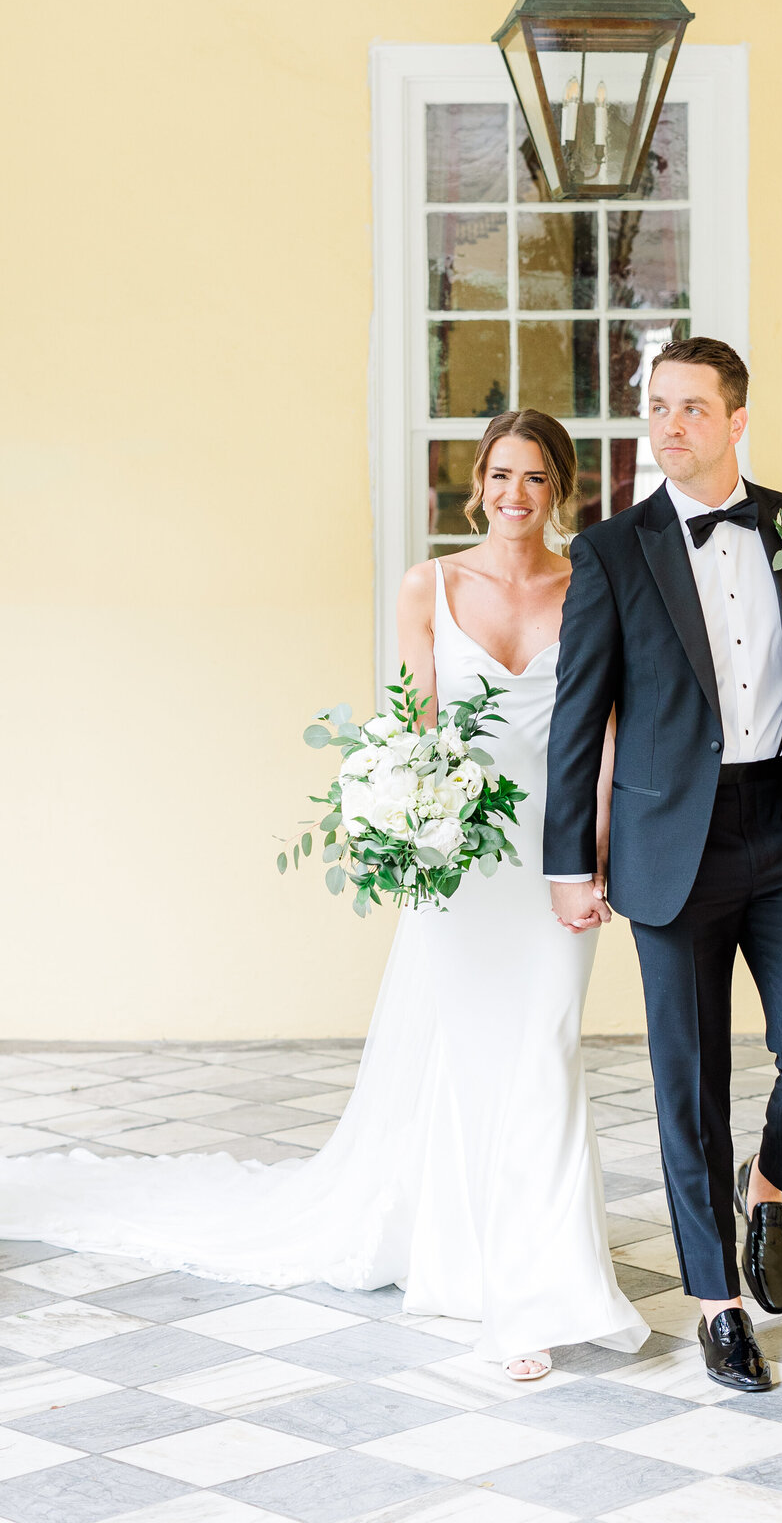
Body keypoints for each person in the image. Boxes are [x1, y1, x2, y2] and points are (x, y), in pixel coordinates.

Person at [0, 410, 646, 1383]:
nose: (517, 495)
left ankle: (549, 1274)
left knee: (547, 1047)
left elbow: (602, 728)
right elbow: (415, 728)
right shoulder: (428, 587)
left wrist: (592, 848)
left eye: (537, 478)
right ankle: (498, 1287)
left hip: (552, 861)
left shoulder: (587, 584)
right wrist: (410, 823)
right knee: (473, 1062)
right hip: (461, 859)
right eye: (502, 475)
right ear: (478, 484)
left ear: (561, 491)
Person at [545, 337, 782, 1393]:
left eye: (693, 408)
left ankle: (767, 1184)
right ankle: (717, 1304)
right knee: (689, 1083)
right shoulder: (612, 552)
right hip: (668, 843)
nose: (670, 425)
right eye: (659, 407)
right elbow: (577, 718)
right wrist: (567, 860)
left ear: (737, 420)